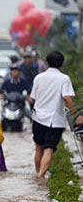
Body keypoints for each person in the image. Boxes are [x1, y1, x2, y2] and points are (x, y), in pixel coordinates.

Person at [29, 51, 83, 179]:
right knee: (49, 149)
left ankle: (38, 174)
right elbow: (66, 98)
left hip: (38, 117)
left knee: (38, 148)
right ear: (62, 64)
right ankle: (41, 177)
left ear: (47, 63)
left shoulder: (38, 77)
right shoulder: (64, 78)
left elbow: (33, 98)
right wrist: (76, 115)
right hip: (54, 120)